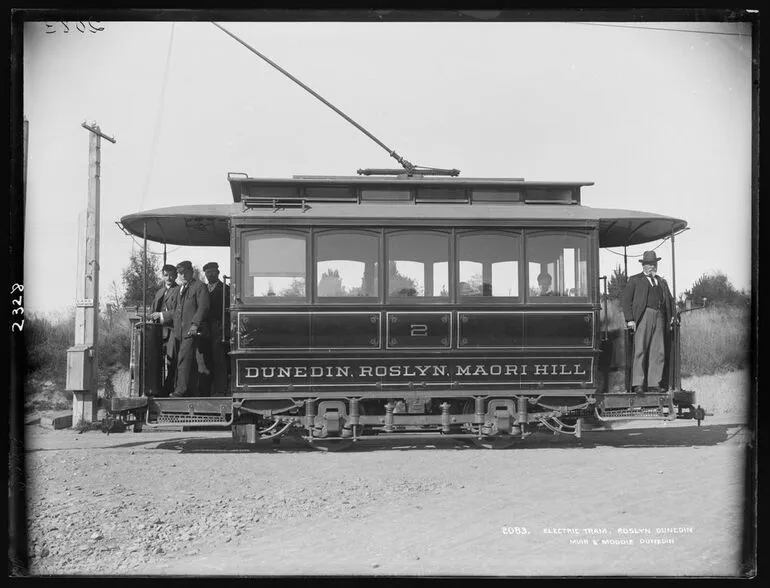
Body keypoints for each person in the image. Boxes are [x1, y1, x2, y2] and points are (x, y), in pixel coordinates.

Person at [621, 250, 674, 394]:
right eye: (649, 264)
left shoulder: (662, 282)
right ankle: (638, 383)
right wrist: (630, 319)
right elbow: (626, 301)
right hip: (643, 316)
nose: (652, 266)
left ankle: (653, 383)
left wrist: (672, 315)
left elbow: (670, 300)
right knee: (640, 349)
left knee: (658, 351)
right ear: (643, 265)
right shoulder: (635, 280)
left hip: (660, 316)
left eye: (654, 264)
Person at [170, 260, 210, 397]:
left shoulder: (200, 287)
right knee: (189, 362)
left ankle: (180, 391)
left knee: (183, 358)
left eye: (184, 272)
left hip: (191, 330)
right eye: (180, 273)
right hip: (179, 332)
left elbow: (203, 307)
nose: (182, 275)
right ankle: (191, 391)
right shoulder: (180, 289)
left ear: (191, 271)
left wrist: (195, 324)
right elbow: (176, 311)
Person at [149, 264, 179, 396]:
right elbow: (152, 310)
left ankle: (170, 388)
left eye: (171, 275)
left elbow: (179, 311)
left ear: (176, 275)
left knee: (171, 361)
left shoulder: (179, 290)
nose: (169, 278)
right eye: (166, 275)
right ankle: (157, 388)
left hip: (173, 330)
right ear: (162, 276)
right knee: (155, 360)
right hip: (158, 333)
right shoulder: (159, 292)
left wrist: (162, 316)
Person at [202, 261, 230, 396]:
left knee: (219, 359)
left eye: (213, 272)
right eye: (208, 272)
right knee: (204, 359)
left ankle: (220, 390)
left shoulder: (226, 289)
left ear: (218, 272)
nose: (210, 274)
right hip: (203, 328)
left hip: (219, 328)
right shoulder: (202, 289)